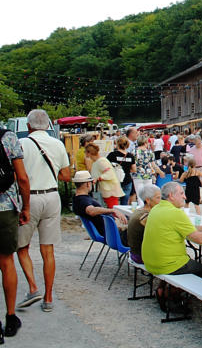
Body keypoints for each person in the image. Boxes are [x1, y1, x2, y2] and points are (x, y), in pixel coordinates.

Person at [17, 109, 71, 313]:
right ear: (48, 125)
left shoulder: (22, 144)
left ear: (28, 126)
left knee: (22, 246)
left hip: (29, 196)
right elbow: (66, 176)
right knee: (48, 250)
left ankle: (32, 287)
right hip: (52, 196)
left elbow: (17, 177)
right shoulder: (57, 144)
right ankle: (48, 298)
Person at [141, 182, 202, 279]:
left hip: (150, 262)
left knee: (190, 261)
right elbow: (200, 240)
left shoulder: (156, 208)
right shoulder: (176, 213)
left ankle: (167, 289)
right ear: (171, 195)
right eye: (181, 193)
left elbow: (177, 227)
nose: (185, 197)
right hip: (167, 266)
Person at [0, 127, 30, 337]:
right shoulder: (7, 136)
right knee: (6, 261)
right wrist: (26, 206)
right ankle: (10, 317)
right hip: (4, 207)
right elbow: (22, 178)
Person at [71, 170, 129, 245]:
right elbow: (91, 211)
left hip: (110, 234)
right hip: (113, 236)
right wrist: (112, 211)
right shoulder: (82, 200)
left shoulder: (77, 199)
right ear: (88, 184)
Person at [127, 184, 162, 264]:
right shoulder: (147, 216)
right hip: (141, 256)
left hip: (134, 253)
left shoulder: (139, 211)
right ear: (148, 200)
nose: (161, 201)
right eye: (158, 198)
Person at [85, 142, 125, 209]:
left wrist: (98, 178)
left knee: (112, 210)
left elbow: (110, 174)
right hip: (106, 191)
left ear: (89, 153)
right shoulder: (97, 162)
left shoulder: (101, 161)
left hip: (110, 191)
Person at [107, 136, 137, 205]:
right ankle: (123, 214)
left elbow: (106, 166)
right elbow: (134, 169)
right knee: (124, 202)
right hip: (127, 179)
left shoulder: (112, 155)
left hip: (115, 180)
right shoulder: (130, 156)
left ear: (117, 144)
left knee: (114, 202)